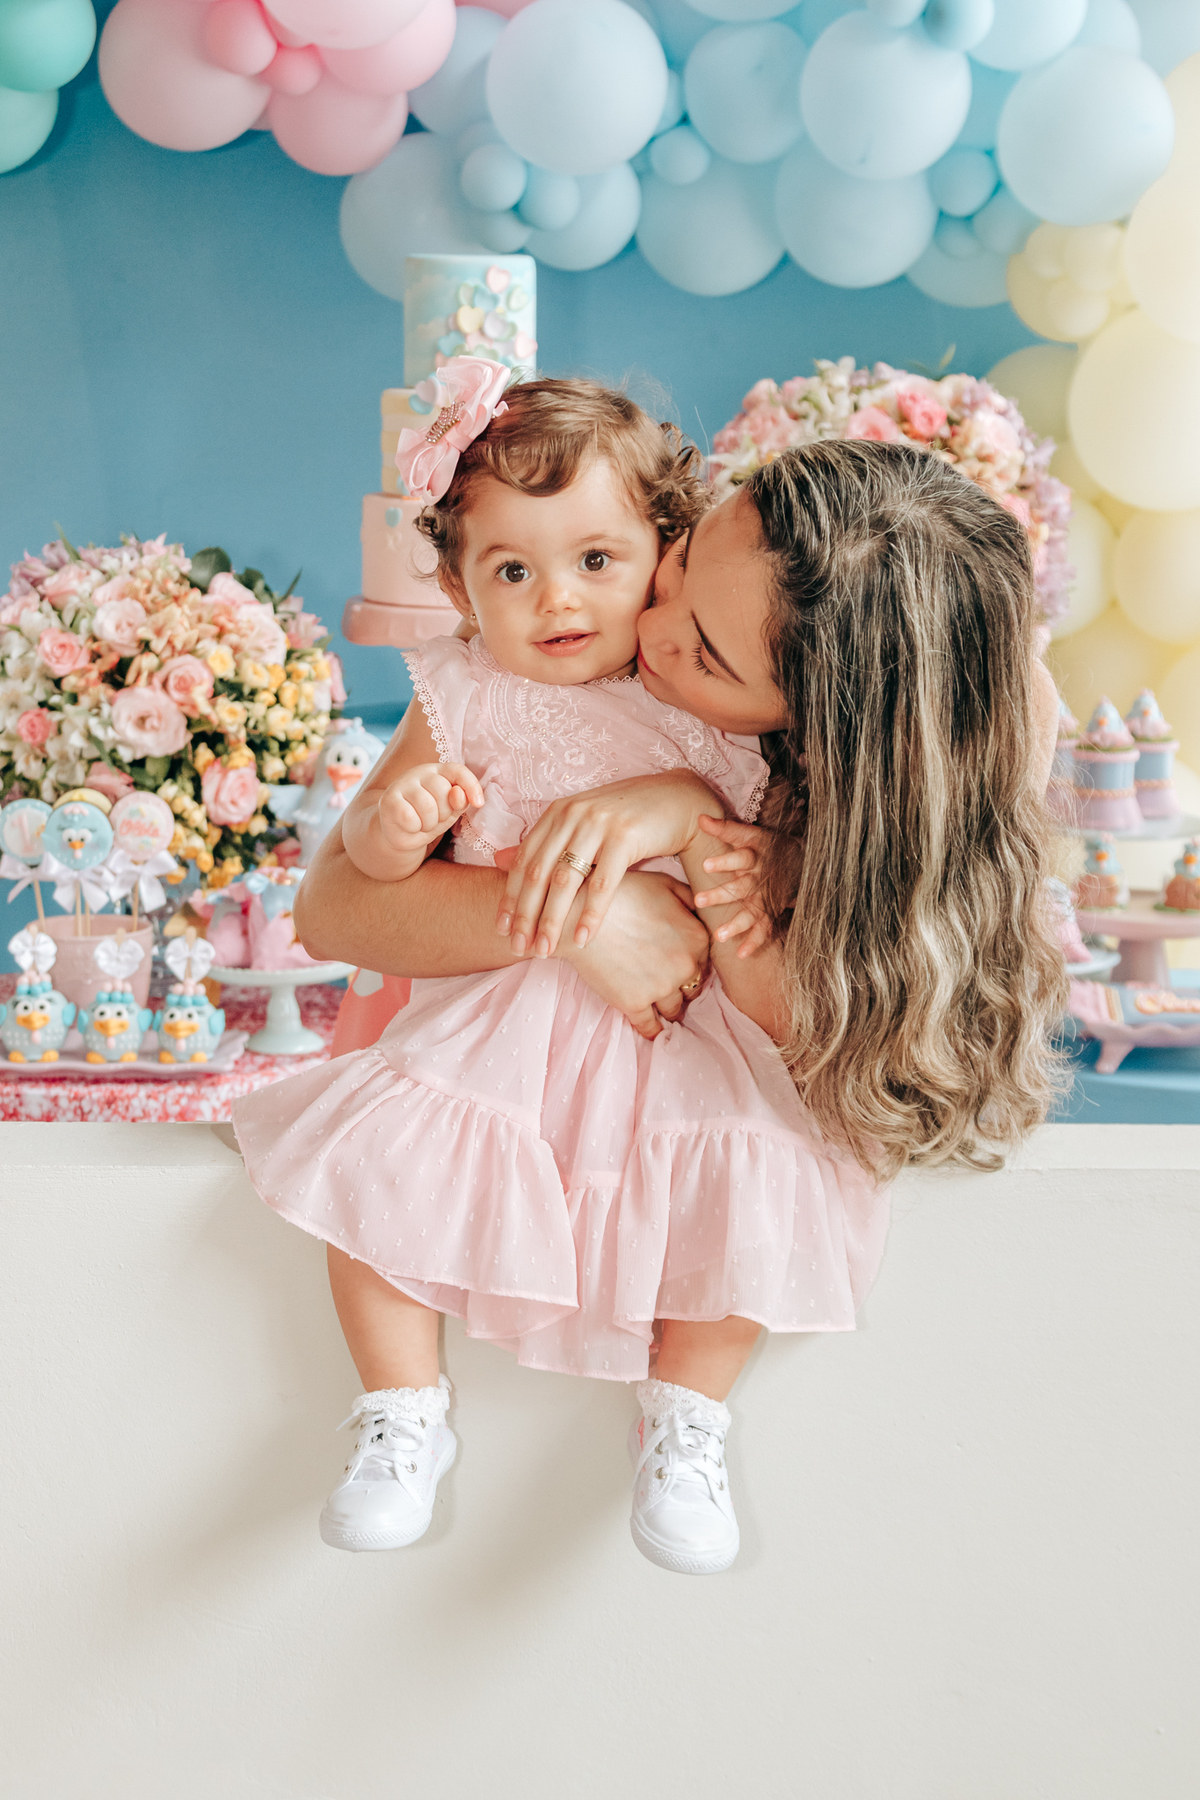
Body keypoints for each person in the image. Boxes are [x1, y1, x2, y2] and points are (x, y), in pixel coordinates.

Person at [243, 371, 1064, 1576]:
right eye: (679, 566)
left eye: (707, 647)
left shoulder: (875, 763)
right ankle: (398, 1412)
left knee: (745, 1166)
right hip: (514, 1019)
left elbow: (798, 1003)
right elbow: (336, 900)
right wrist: (581, 910)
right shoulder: (520, 675)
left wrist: (690, 827)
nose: (648, 619)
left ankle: (685, 1414)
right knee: (398, 1157)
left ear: (815, 719)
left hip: (691, 1047)